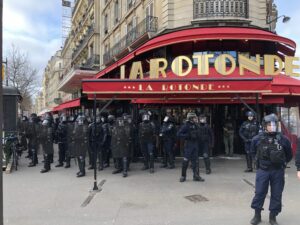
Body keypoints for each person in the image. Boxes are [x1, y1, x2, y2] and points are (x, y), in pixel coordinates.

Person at [249, 114, 292, 225]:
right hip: (263, 170)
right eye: (269, 125)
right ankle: (257, 215)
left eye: (274, 125)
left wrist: (282, 163)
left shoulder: (283, 139)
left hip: (277, 171)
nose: (272, 127)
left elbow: (289, 154)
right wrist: (258, 162)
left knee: (276, 194)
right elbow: (252, 152)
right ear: (265, 126)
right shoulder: (257, 139)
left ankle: (273, 217)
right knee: (259, 192)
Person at [177, 112, 204, 182]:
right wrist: (187, 135)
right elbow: (178, 134)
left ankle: (196, 176)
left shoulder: (196, 125)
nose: (196, 119)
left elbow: (200, 134)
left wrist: (198, 135)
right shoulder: (186, 126)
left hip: (195, 145)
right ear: (191, 118)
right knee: (185, 161)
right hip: (188, 145)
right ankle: (183, 176)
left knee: (196, 161)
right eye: (194, 117)